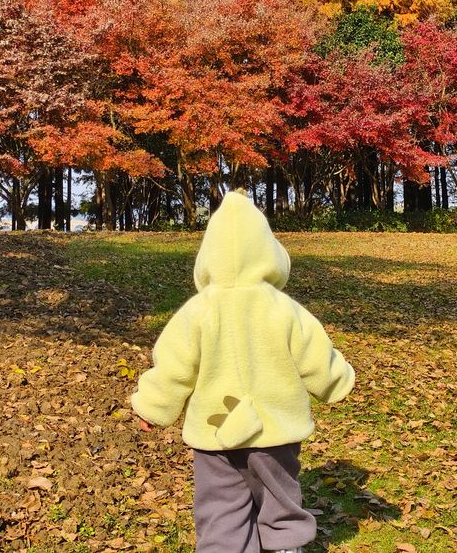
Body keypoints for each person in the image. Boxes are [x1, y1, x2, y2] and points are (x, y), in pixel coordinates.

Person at [131, 190, 355, 553]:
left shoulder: (196, 312)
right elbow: (317, 356)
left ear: (208, 258)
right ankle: (284, 546)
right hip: (276, 431)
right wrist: (338, 382)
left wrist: (153, 407)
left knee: (220, 509)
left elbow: (172, 366)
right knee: (280, 499)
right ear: (269, 254)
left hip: (215, 434)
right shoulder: (286, 310)